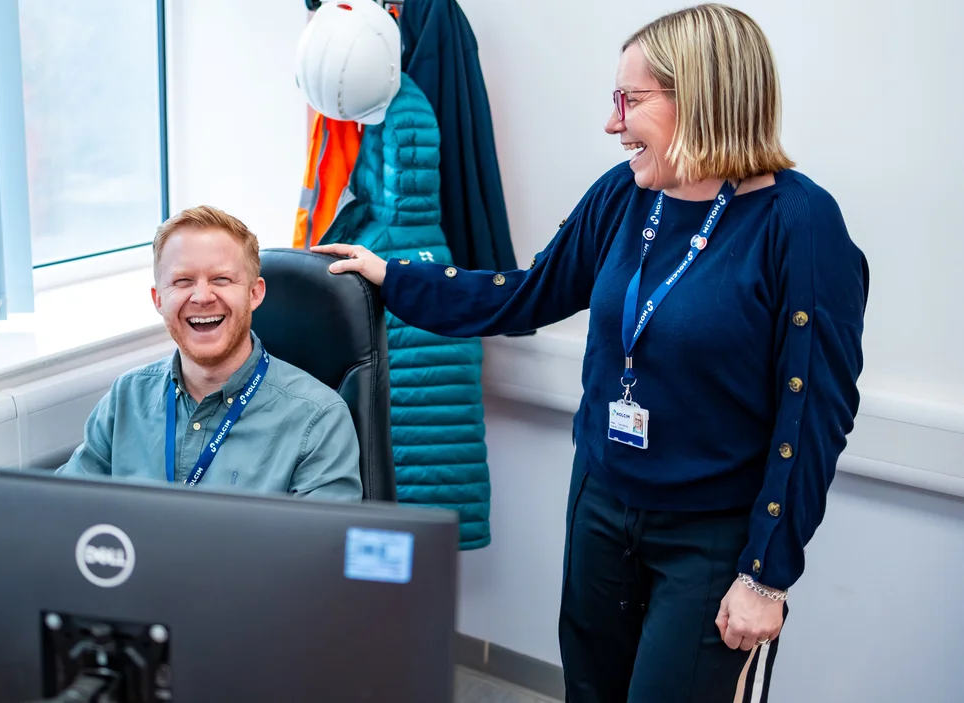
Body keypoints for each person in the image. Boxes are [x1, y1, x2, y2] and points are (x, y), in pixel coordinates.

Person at [315, 4, 868, 701]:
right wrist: (394, 276)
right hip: (603, 504)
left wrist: (765, 573)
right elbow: (527, 294)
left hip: (711, 534)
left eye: (629, 101)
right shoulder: (626, 196)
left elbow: (813, 414)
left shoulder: (800, 223)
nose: (613, 123)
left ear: (700, 97)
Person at [57, 205, 363, 503]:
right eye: (182, 281)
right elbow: (59, 511)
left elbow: (321, 550)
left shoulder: (318, 419)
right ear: (158, 299)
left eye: (221, 279)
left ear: (254, 293)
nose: (202, 297)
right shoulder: (127, 397)